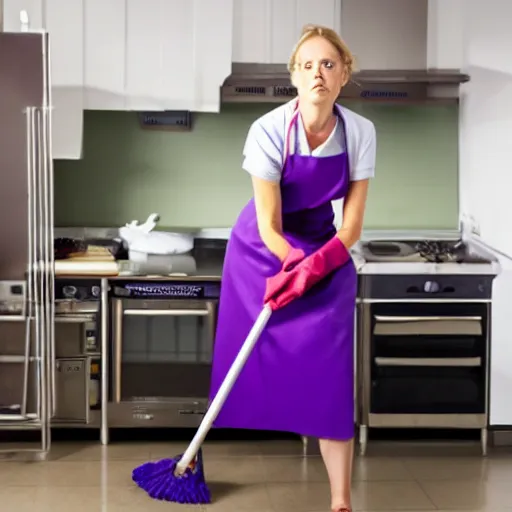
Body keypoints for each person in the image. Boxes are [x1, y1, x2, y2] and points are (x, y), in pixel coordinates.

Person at [208, 24, 376, 512]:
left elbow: (351, 227)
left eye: (328, 64)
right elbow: (269, 223)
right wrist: (291, 263)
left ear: (344, 74)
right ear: (294, 78)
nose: (318, 73)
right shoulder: (268, 129)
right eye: (307, 65)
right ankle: (207, 450)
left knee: (330, 374)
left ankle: (341, 500)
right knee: (251, 361)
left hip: (327, 247)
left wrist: (316, 267)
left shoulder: (360, 132)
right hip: (266, 252)